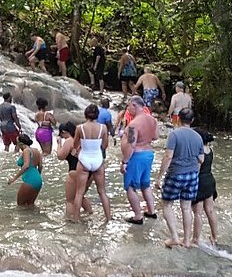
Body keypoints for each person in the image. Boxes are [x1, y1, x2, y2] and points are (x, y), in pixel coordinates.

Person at [156, 108, 204, 247]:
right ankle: (187, 240)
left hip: (176, 173)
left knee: (167, 204)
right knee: (186, 207)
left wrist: (159, 177)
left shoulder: (174, 135)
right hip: (192, 175)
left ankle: (175, 237)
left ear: (178, 118)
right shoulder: (198, 137)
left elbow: (168, 156)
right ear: (192, 120)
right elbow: (201, 159)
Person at [121, 96, 159, 224]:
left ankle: (138, 216)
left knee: (130, 187)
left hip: (136, 156)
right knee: (145, 184)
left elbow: (132, 144)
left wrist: (125, 162)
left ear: (134, 105)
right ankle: (151, 211)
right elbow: (155, 137)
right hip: (148, 154)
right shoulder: (152, 120)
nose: (128, 109)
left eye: (128, 106)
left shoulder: (134, 124)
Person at [73, 104, 112, 222]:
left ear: (85, 114)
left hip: (84, 158)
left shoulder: (80, 128)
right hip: (97, 159)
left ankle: (76, 218)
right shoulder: (103, 128)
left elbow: (75, 145)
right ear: (97, 115)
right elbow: (105, 145)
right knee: (102, 191)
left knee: (79, 192)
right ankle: (108, 218)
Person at [56, 122, 93, 220]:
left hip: (75, 172)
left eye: (61, 135)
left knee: (70, 200)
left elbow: (60, 156)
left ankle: (71, 220)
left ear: (64, 132)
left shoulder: (69, 141)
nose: (62, 137)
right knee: (80, 196)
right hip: (89, 172)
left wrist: (59, 144)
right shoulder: (81, 140)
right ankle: (90, 214)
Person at [191, 128, 219, 245]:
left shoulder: (199, 151)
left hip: (200, 181)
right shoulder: (210, 150)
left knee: (198, 212)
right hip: (210, 180)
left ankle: (196, 239)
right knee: (210, 210)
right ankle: (214, 236)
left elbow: (196, 169)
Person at [6, 134, 43, 206]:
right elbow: (41, 166)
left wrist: (14, 179)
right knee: (30, 205)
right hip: (38, 180)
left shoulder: (26, 151)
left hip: (29, 180)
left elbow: (26, 165)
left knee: (20, 206)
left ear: (20, 144)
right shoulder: (36, 150)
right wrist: (37, 178)